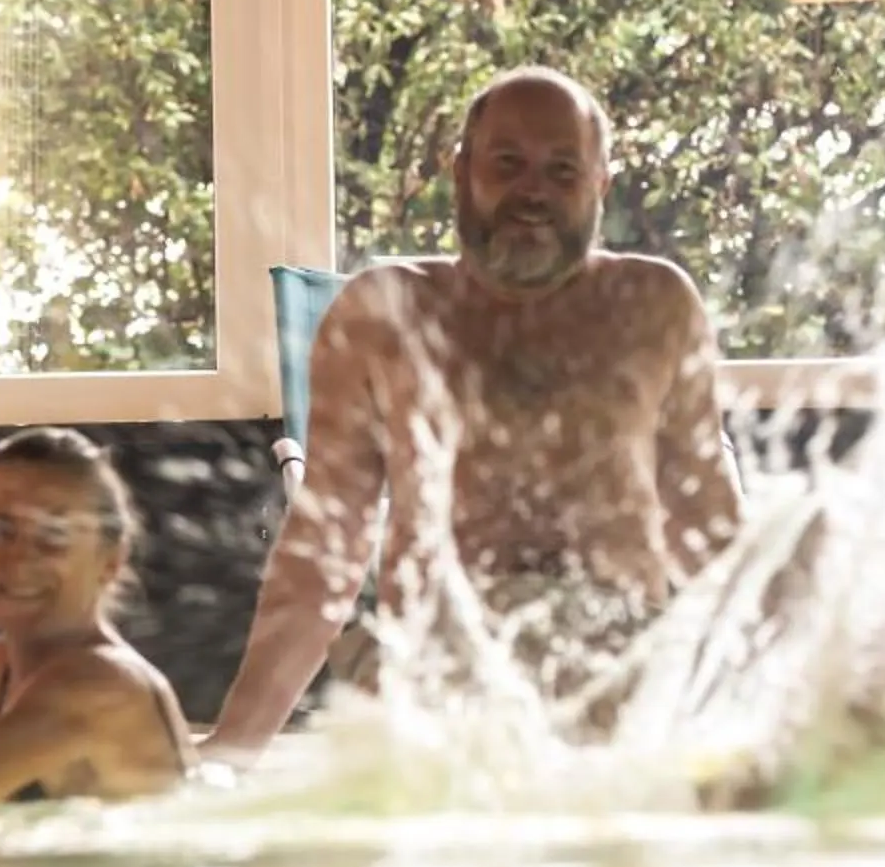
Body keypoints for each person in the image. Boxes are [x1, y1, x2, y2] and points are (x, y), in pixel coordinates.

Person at [207, 68, 746, 761]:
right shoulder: (385, 315)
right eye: (509, 164)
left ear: (600, 186)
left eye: (562, 171)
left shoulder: (653, 306)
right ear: (460, 174)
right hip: (442, 656)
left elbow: (715, 535)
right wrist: (231, 751)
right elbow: (325, 556)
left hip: (616, 658)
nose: (533, 193)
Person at [0, 429, 198, 807]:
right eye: (0, 529)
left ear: (110, 560)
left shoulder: (104, 686)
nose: (20, 558)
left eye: (54, 533)